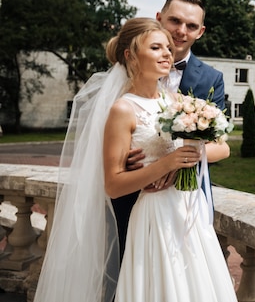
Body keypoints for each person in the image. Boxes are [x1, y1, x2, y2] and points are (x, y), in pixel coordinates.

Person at [34, 18, 237, 302]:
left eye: (167, 47)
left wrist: (181, 159)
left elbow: (214, 147)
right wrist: (165, 164)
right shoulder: (122, 109)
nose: (167, 53)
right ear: (130, 55)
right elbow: (113, 185)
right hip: (153, 214)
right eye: (156, 47)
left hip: (189, 210)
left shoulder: (173, 100)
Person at [112, 0, 225, 258]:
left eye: (192, 26)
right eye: (175, 21)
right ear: (159, 18)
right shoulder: (121, 71)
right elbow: (107, 133)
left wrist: (177, 161)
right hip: (132, 198)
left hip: (187, 198)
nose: (181, 31)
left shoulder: (211, 79)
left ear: (201, 32)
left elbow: (221, 146)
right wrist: (127, 161)